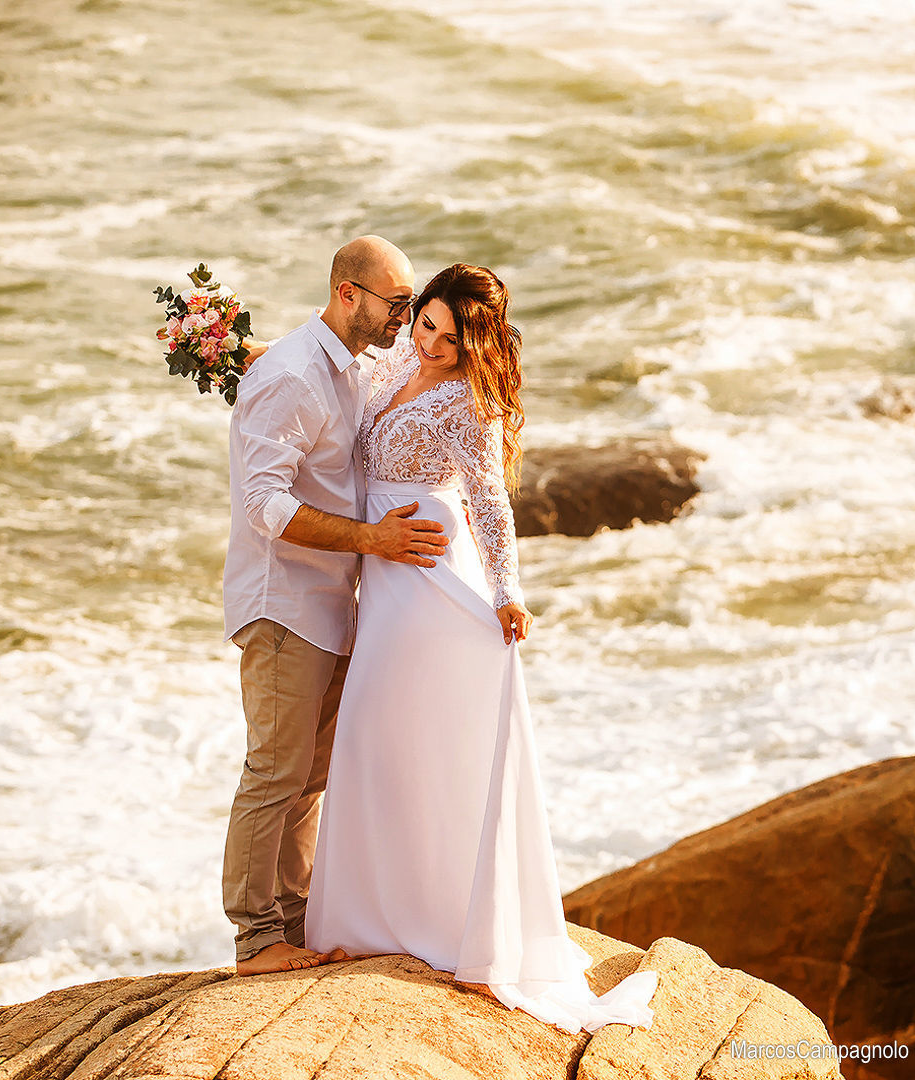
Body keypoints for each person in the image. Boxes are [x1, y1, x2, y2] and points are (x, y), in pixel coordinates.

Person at [297, 262, 659, 1033]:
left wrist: (508, 594)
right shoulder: (396, 357)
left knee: (411, 739)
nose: (431, 343)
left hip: (432, 580)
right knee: (375, 738)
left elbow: (490, 501)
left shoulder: (473, 403)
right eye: (426, 322)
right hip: (385, 571)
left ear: (477, 343)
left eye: (451, 338)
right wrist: (247, 357)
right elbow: (333, 378)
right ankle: (366, 919)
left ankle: (449, 923)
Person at [222, 235, 449, 975]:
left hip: (332, 606)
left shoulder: (351, 367)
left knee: (310, 779)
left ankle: (294, 925)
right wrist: (373, 540)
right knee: (275, 773)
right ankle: (256, 940)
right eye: (396, 302)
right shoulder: (291, 376)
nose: (404, 317)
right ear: (347, 293)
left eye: (410, 303)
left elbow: (432, 364)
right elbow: (263, 503)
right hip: (283, 604)